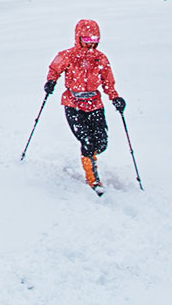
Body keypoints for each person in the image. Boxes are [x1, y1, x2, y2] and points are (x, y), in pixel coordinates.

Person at [44, 17, 126, 191]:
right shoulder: (68, 56)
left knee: (101, 142)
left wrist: (115, 98)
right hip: (73, 104)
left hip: (94, 104)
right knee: (87, 140)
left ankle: (91, 158)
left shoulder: (100, 58)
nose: (91, 44)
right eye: (87, 40)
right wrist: (51, 81)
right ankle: (93, 179)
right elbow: (54, 69)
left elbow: (107, 82)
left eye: (95, 40)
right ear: (79, 37)